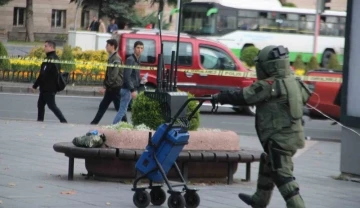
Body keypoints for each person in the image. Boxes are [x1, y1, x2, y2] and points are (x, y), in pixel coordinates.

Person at [209, 45, 311, 208]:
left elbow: (245, 96)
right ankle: (260, 199)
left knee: (282, 176)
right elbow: (305, 97)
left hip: (280, 139)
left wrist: (221, 96)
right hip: (292, 135)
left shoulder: (269, 85)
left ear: (267, 65)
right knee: (267, 162)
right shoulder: (293, 80)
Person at [90, 39, 126, 125]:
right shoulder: (112, 57)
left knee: (118, 107)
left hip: (115, 87)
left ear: (112, 46)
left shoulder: (116, 58)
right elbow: (109, 74)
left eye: (107, 45)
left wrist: (105, 86)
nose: (106, 47)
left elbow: (114, 75)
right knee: (104, 105)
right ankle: (94, 123)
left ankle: (126, 124)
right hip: (111, 87)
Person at [32, 40, 67, 123]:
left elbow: (43, 74)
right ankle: (40, 121)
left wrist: (35, 85)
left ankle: (63, 121)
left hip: (48, 87)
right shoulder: (56, 58)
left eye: (46, 46)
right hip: (48, 86)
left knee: (52, 106)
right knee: (40, 104)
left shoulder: (49, 59)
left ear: (51, 47)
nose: (44, 48)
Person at [112, 41, 145, 124]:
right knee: (122, 111)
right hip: (127, 90)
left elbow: (134, 75)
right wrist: (132, 90)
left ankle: (125, 126)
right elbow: (127, 76)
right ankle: (112, 127)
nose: (139, 50)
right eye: (138, 48)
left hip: (131, 89)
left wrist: (142, 80)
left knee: (126, 110)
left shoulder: (137, 60)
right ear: (134, 48)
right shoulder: (130, 60)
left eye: (141, 48)